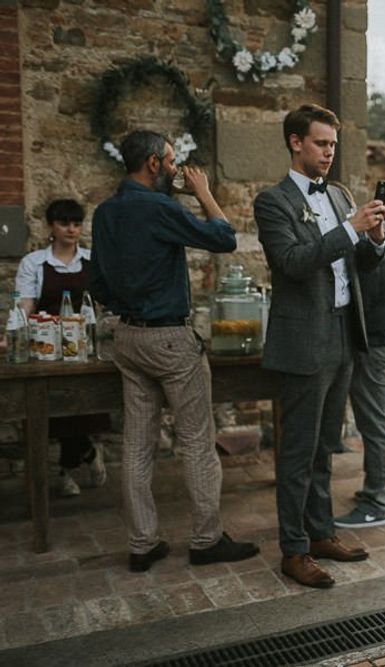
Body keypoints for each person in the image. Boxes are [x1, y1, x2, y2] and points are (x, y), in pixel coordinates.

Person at [90, 130, 259, 572]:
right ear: (152, 163)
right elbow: (223, 238)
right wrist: (203, 192)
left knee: (137, 446)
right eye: (170, 160)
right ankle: (206, 540)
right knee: (198, 443)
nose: (174, 167)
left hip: (127, 338)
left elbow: (98, 283)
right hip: (169, 338)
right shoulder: (159, 207)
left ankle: (142, 544)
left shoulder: (105, 212)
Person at [254, 104, 385, 589]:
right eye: (320, 143)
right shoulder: (272, 202)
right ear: (295, 142)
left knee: (325, 446)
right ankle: (294, 551)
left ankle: (321, 533)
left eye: (333, 144)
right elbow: (292, 262)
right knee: (298, 452)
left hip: (343, 333)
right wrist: (350, 229)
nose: (329, 152)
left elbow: (362, 263)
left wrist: (374, 238)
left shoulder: (339, 194)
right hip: (303, 339)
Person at [15, 199, 109, 497]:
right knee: (56, 409)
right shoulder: (34, 263)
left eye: (77, 224)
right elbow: (26, 304)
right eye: (64, 223)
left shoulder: (92, 261)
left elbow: (104, 301)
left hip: (83, 345)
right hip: (47, 345)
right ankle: (87, 455)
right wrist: (14, 332)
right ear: (51, 227)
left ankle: (67, 470)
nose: (71, 229)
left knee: (82, 406)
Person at [334, 220, 385, 529]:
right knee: (378, 423)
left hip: (379, 345)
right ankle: (380, 490)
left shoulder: (369, 240)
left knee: (376, 426)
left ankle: (378, 504)